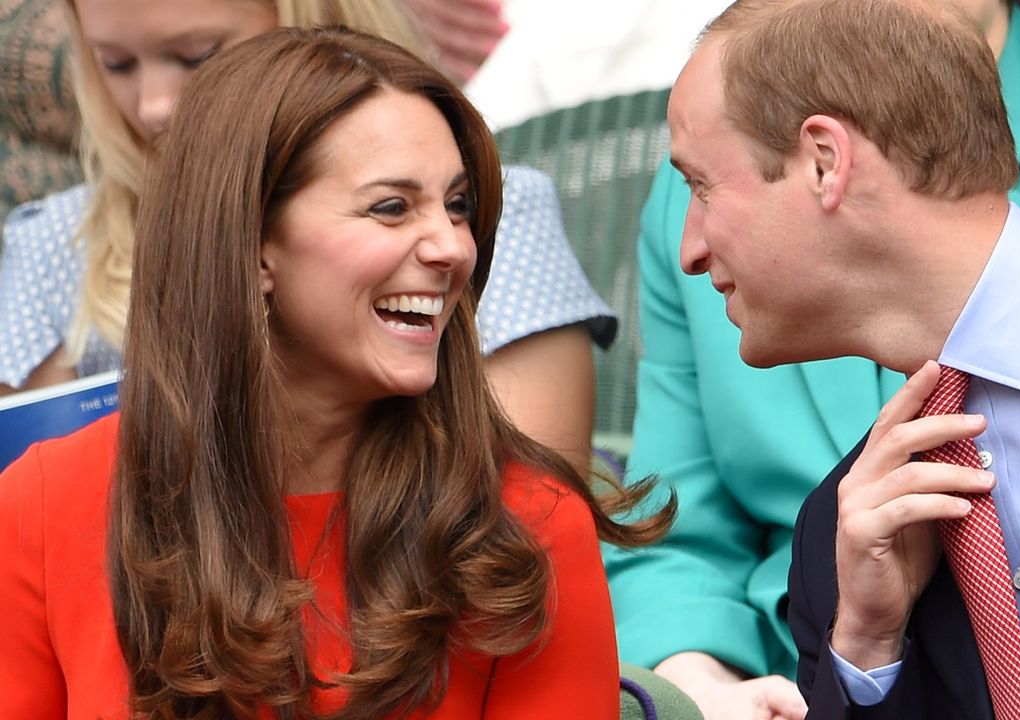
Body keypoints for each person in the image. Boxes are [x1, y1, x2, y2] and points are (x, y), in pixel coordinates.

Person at [0, 26, 673, 718]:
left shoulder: (524, 523)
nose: (452, 245)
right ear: (255, 245)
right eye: (391, 207)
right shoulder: (41, 509)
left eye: (459, 204)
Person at [605, 0, 1020, 715]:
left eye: (701, 188)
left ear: (824, 162)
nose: (689, 248)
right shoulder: (831, 543)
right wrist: (857, 652)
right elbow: (670, 520)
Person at [0, 0, 613, 478]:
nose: (156, 105)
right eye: (116, 63)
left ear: (311, 27)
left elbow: (531, 510)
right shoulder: (54, 242)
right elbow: (49, 516)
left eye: (196, 55)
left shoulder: (482, 220)